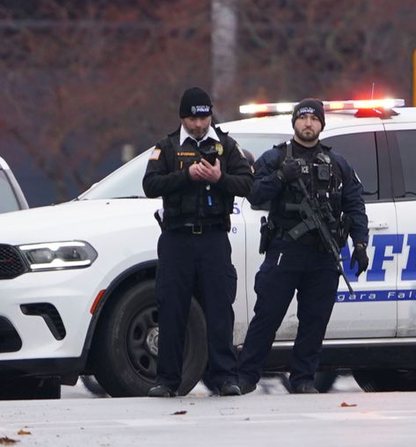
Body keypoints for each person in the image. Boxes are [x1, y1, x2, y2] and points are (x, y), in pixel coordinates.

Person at [235, 99, 370, 395]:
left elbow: (355, 204)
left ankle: (303, 379)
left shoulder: (338, 163)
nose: (308, 123)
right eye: (303, 118)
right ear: (294, 123)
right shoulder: (274, 158)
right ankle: (246, 376)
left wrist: (360, 243)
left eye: (314, 119)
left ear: (322, 124)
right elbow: (255, 195)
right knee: (267, 315)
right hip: (285, 249)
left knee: (315, 319)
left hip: (323, 253)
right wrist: (282, 176)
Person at [142, 86, 254, 398]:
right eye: (193, 118)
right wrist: (187, 176)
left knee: (220, 308)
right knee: (172, 309)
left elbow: (247, 183)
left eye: (204, 117)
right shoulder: (166, 147)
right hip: (177, 238)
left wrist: (220, 180)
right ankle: (167, 380)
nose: (200, 124)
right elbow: (150, 184)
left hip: (214, 238)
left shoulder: (226, 147)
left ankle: (224, 377)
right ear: (183, 118)